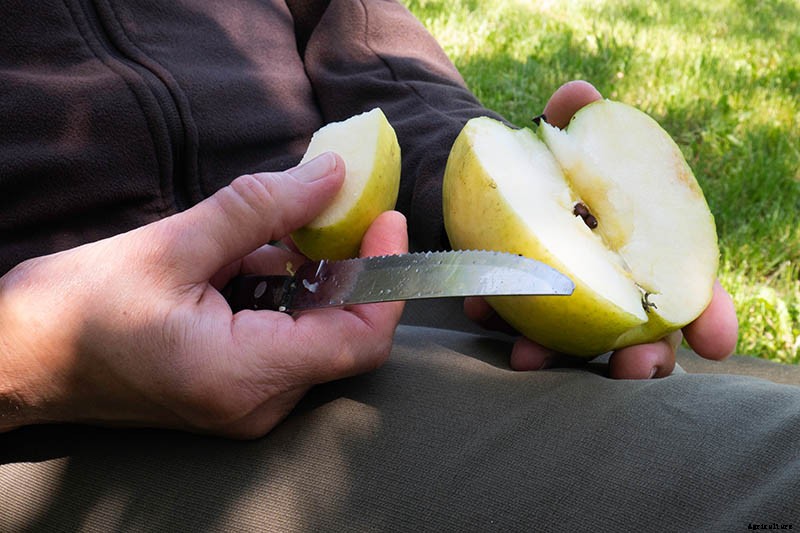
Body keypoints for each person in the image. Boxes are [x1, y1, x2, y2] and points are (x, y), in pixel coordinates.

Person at [0, 1, 797, 530]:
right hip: (84, 413)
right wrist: (29, 352)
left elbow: (353, 24)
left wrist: (458, 171)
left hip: (352, 276)